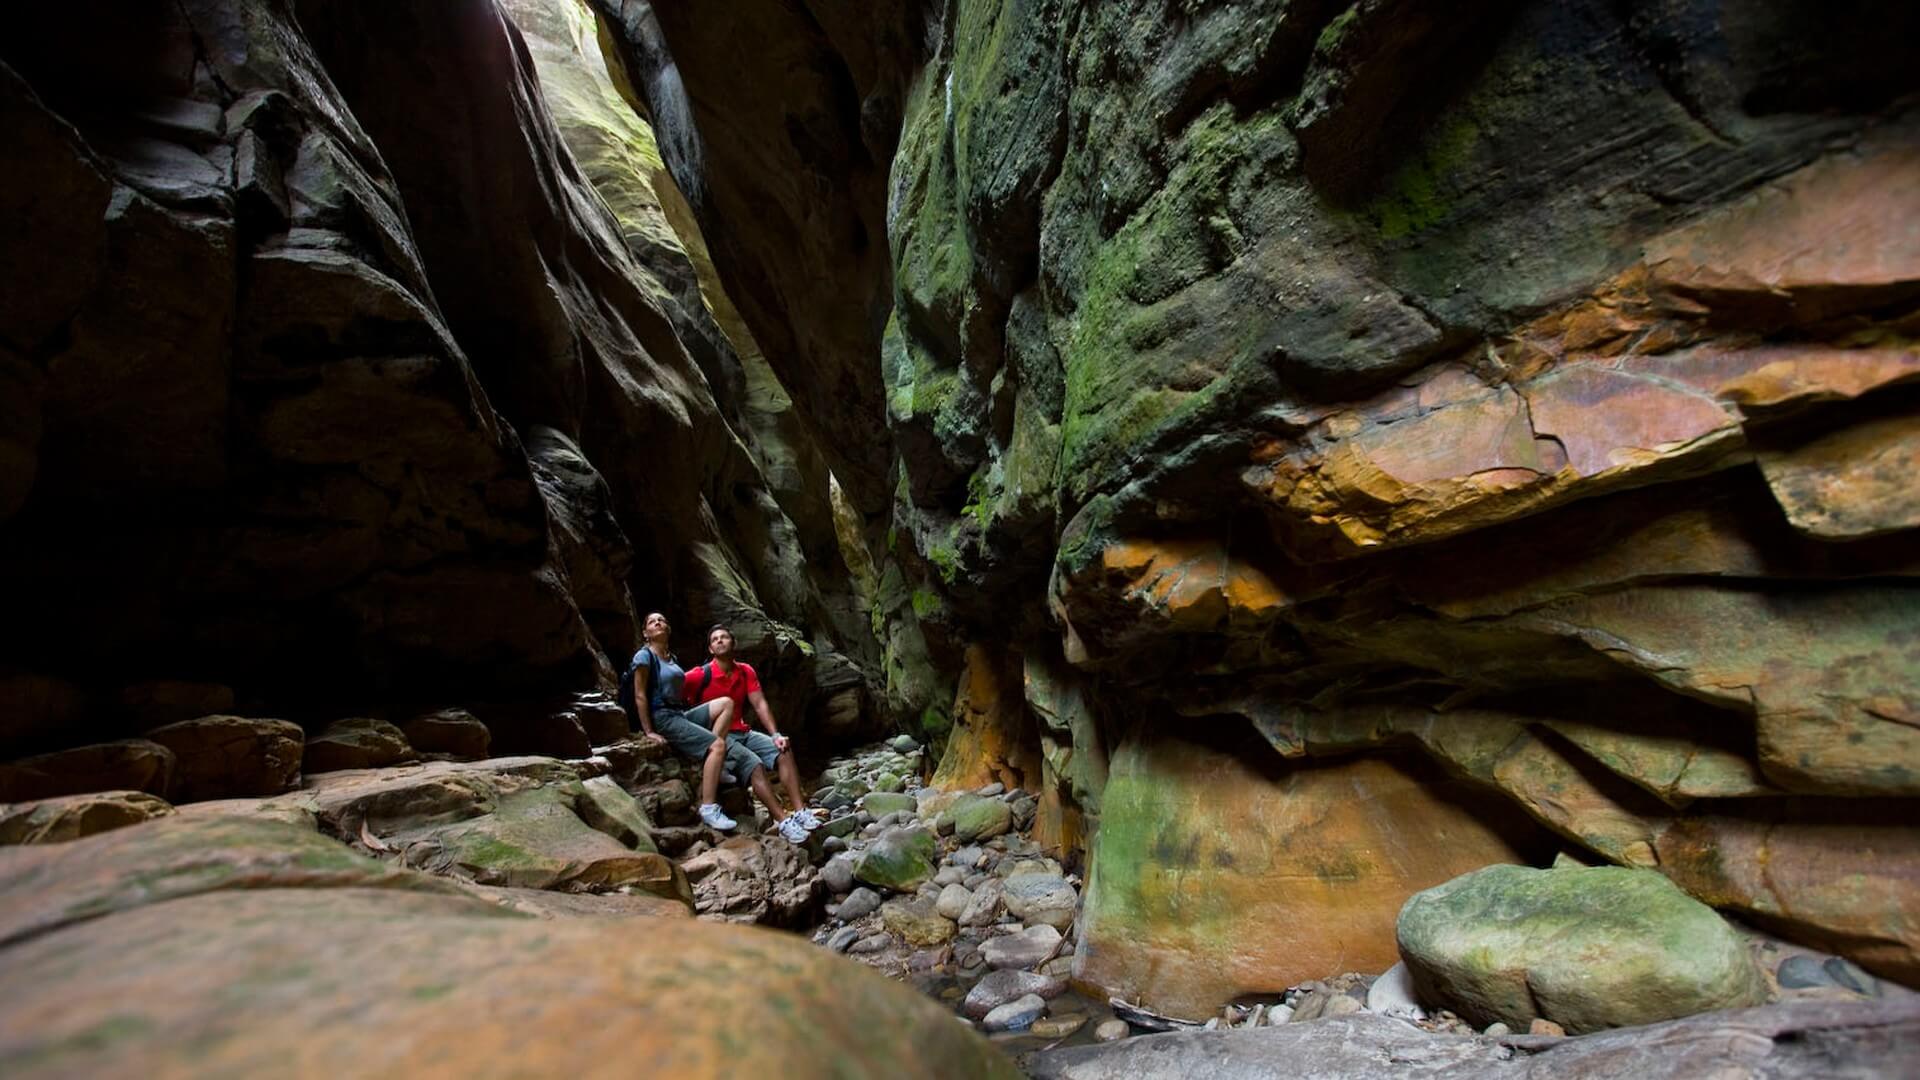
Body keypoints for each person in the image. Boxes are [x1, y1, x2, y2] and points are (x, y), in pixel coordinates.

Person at [683, 623, 820, 844]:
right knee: (754, 764)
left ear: (733, 643)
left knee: (783, 750)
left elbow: (760, 704)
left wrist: (776, 734)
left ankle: (801, 811)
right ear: (710, 649)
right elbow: (672, 689)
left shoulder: (745, 671)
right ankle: (783, 822)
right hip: (719, 736)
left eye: (724, 637)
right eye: (715, 639)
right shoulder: (700, 675)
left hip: (743, 731)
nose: (719, 640)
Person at [627, 611, 742, 831]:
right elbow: (640, 695)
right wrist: (649, 730)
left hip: (678, 713)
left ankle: (712, 765)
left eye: (662, 620)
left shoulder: (671, 657)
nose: (658, 622)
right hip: (662, 717)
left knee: (726, 703)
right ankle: (708, 807)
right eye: (652, 621)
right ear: (645, 633)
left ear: (668, 628)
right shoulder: (644, 656)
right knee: (717, 745)